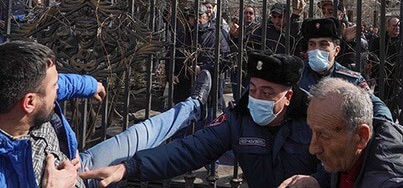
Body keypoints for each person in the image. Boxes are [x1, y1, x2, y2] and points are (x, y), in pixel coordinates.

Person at [0, 41, 211, 187]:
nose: (59, 89)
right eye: (54, 87)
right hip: (81, 182)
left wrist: (91, 85)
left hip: (81, 166)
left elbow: (63, 84)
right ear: (29, 102)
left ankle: (194, 105)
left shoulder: (10, 97)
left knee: (146, 130)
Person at [79, 52, 320, 187]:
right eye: (253, 88)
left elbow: (344, 164)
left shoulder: (315, 119)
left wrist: (316, 181)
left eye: (267, 93)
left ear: (288, 96)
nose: (256, 98)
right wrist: (129, 167)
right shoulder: (238, 118)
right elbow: (190, 150)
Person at [279, 77, 403, 188]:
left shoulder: (390, 182)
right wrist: (317, 180)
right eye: (312, 132)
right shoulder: (353, 149)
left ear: (362, 136)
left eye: (324, 135)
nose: (313, 148)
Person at [298, 17, 392, 121]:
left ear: (336, 50)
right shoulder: (296, 74)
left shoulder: (350, 80)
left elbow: (375, 105)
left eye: (323, 44)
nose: (317, 49)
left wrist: (383, 126)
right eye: (312, 44)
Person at [369, 16, 402, 121]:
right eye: (394, 25)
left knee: (397, 105)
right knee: (381, 104)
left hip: (399, 79)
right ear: (388, 27)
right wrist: (373, 76)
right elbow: (372, 59)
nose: (397, 28)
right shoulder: (379, 41)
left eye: (399, 25)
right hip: (382, 78)